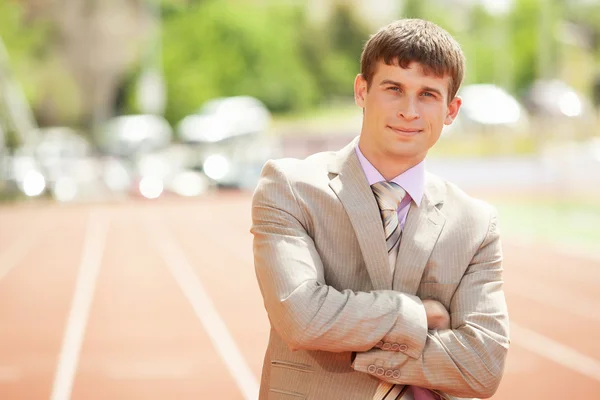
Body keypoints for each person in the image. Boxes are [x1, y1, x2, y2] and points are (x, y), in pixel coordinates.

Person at [250, 18, 509, 400]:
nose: (409, 110)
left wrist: (354, 343)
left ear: (451, 110)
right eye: (394, 88)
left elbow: (483, 366)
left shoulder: (475, 224)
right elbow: (301, 318)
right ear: (361, 90)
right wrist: (421, 316)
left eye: (428, 95)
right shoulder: (291, 187)